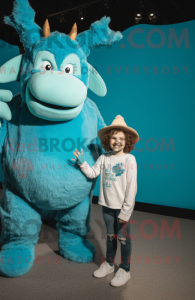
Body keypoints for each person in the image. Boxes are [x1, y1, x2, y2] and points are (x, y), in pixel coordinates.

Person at [72, 115, 139, 287]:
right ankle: (109, 264)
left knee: (123, 238)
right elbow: (92, 173)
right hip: (107, 206)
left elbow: (132, 188)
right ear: (109, 140)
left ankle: (125, 269)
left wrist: (126, 211)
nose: (117, 141)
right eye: (114, 138)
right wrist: (82, 163)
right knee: (111, 236)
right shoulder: (104, 158)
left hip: (122, 209)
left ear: (127, 141)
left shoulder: (129, 159)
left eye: (121, 139)